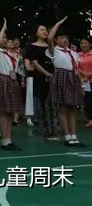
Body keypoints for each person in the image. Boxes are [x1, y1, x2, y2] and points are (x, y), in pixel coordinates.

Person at [46, 17, 84, 147]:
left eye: (66, 37)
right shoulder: (54, 50)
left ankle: (74, 136)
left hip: (72, 78)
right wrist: (57, 24)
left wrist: (82, 85)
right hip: (61, 76)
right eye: (61, 37)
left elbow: (77, 69)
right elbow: (49, 38)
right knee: (63, 108)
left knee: (73, 107)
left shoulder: (73, 53)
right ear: (56, 40)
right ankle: (67, 136)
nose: (65, 39)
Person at [24, 24, 61, 141]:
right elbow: (34, 63)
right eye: (41, 30)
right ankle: (46, 130)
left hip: (53, 77)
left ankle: (55, 128)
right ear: (36, 33)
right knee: (43, 103)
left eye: (46, 30)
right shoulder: (31, 47)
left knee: (54, 104)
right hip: (40, 78)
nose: (44, 32)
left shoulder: (51, 46)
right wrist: (47, 74)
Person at [0, 20, 21, 150]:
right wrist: (3, 27)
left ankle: (8, 139)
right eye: (3, 38)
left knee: (9, 112)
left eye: (6, 39)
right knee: (3, 112)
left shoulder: (12, 55)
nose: (4, 40)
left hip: (11, 81)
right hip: (2, 81)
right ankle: (4, 140)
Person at [80, 37, 92, 129]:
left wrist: (89, 74)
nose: (84, 45)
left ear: (90, 44)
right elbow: (74, 66)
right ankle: (90, 120)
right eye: (82, 43)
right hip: (83, 81)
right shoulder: (77, 55)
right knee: (87, 101)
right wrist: (84, 75)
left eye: (86, 43)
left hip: (90, 79)